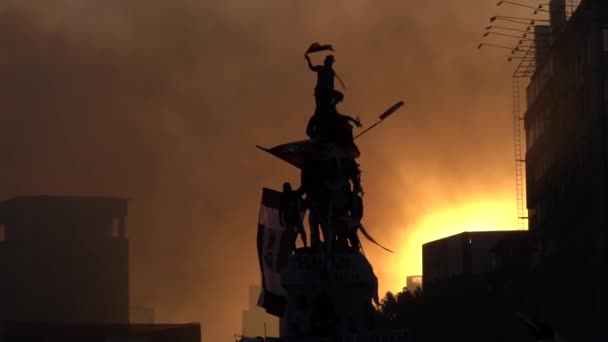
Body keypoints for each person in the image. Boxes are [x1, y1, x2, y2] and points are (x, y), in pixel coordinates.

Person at [279, 182, 307, 251]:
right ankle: (293, 249)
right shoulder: (283, 197)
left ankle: (305, 245)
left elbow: (301, 199)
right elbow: (281, 210)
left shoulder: (294, 194)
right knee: (291, 236)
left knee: (301, 232)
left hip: (295, 217)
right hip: (289, 219)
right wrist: (280, 220)